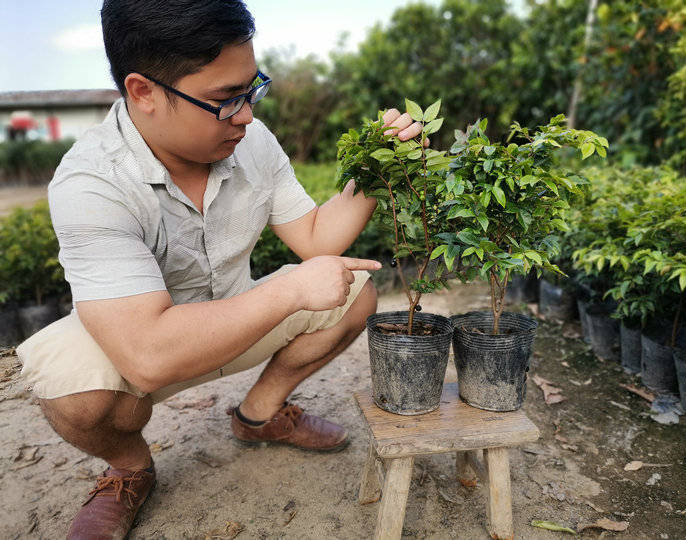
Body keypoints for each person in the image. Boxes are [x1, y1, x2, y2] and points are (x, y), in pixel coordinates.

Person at [16, 0, 427, 538]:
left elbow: (315, 237)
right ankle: (130, 468)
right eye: (225, 99)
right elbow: (146, 355)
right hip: (145, 342)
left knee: (356, 292)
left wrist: (381, 165)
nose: (247, 115)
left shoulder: (251, 141)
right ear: (144, 93)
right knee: (75, 397)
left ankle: (257, 416)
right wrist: (291, 293)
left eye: (252, 89)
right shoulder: (92, 183)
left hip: (236, 315)